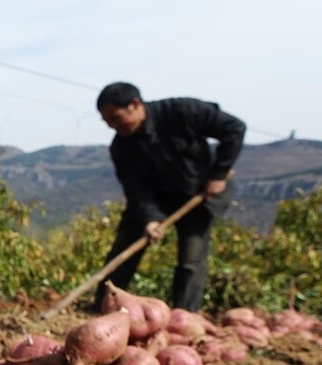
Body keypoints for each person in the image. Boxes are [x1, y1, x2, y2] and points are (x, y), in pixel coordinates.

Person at [94, 82, 246, 312]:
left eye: (115, 118)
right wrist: (150, 218)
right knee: (124, 246)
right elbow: (135, 189)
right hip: (154, 199)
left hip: (197, 195)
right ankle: (102, 306)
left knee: (191, 260)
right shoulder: (121, 147)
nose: (113, 126)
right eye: (107, 122)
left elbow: (234, 128)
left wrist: (219, 174)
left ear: (134, 105)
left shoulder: (181, 111)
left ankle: (183, 315)